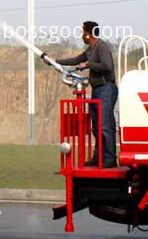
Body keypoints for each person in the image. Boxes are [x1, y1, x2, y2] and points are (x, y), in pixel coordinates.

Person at [42, 21, 118, 168]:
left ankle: (109, 159)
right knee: (96, 126)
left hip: (106, 89)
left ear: (88, 34)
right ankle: (99, 156)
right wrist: (54, 61)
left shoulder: (101, 46)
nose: (81, 36)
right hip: (97, 89)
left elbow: (107, 66)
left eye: (82, 32)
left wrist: (88, 65)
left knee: (105, 126)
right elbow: (77, 60)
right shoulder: (90, 49)